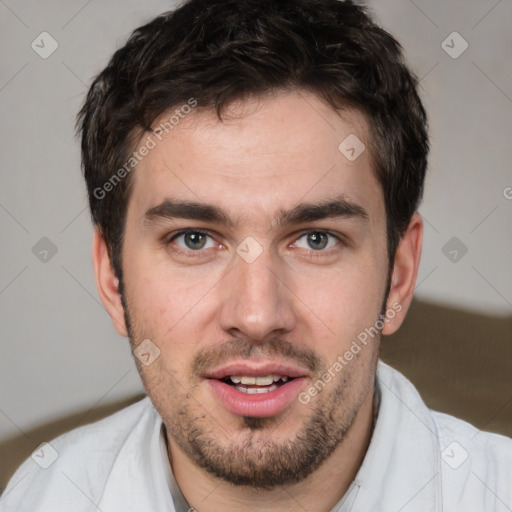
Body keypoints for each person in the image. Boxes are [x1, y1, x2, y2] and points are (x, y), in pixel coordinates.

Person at [1, 0, 510, 510]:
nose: (257, 315)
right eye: (194, 239)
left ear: (398, 277)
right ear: (113, 278)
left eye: (317, 239)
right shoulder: (41, 495)